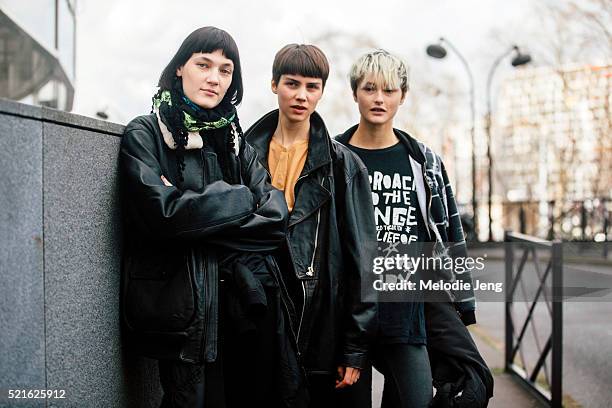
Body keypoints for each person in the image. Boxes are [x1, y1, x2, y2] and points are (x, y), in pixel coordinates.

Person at [119, 27, 304, 407]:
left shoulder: (234, 140)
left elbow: (275, 217)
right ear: (179, 69)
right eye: (203, 64)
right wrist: (239, 197)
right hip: (186, 311)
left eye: (225, 70)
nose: (214, 77)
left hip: (246, 306)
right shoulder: (147, 132)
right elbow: (164, 216)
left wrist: (198, 218)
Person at [335, 49, 478, 408]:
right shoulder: (333, 156)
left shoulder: (423, 160)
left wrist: (463, 300)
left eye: (389, 90)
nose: (379, 98)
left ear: (403, 96)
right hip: (348, 311)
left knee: (417, 401)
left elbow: (448, 234)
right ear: (355, 93)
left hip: (407, 308)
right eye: (369, 88)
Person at [244, 44, 377, 408]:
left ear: (322, 90)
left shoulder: (343, 166)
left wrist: (354, 348)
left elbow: (363, 261)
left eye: (312, 86)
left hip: (319, 326)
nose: (302, 96)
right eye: (292, 83)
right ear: (274, 84)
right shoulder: (242, 154)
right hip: (257, 319)